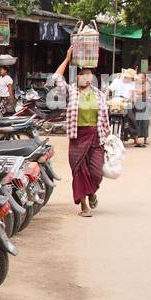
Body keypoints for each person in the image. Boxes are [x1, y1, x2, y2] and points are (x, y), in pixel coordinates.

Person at [49, 48, 109, 216]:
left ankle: (92, 191)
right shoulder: (71, 92)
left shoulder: (99, 95)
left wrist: (108, 138)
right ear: (76, 77)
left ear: (92, 77)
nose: (85, 77)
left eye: (88, 74)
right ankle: (84, 206)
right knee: (80, 171)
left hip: (96, 137)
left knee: (96, 173)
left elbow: (105, 120)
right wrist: (67, 58)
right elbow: (56, 78)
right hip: (77, 138)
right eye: (82, 74)